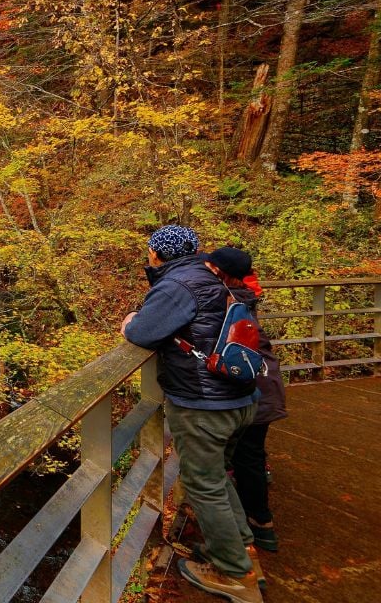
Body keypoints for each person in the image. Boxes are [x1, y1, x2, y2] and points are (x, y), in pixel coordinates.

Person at [121, 225, 262, 603]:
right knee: (215, 476)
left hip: (205, 403)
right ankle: (243, 552)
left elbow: (143, 333)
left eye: (150, 250)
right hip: (240, 397)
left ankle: (234, 576)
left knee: (204, 483)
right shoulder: (212, 277)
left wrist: (130, 322)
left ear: (156, 254)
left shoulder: (178, 285)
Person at [207, 246, 287, 553]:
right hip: (264, 383)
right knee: (249, 454)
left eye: (211, 268)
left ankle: (257, 526)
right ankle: (257, 523)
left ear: (221, 273)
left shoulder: (224, 300)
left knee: (244, 455)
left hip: (253, 388)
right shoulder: (244, 298)